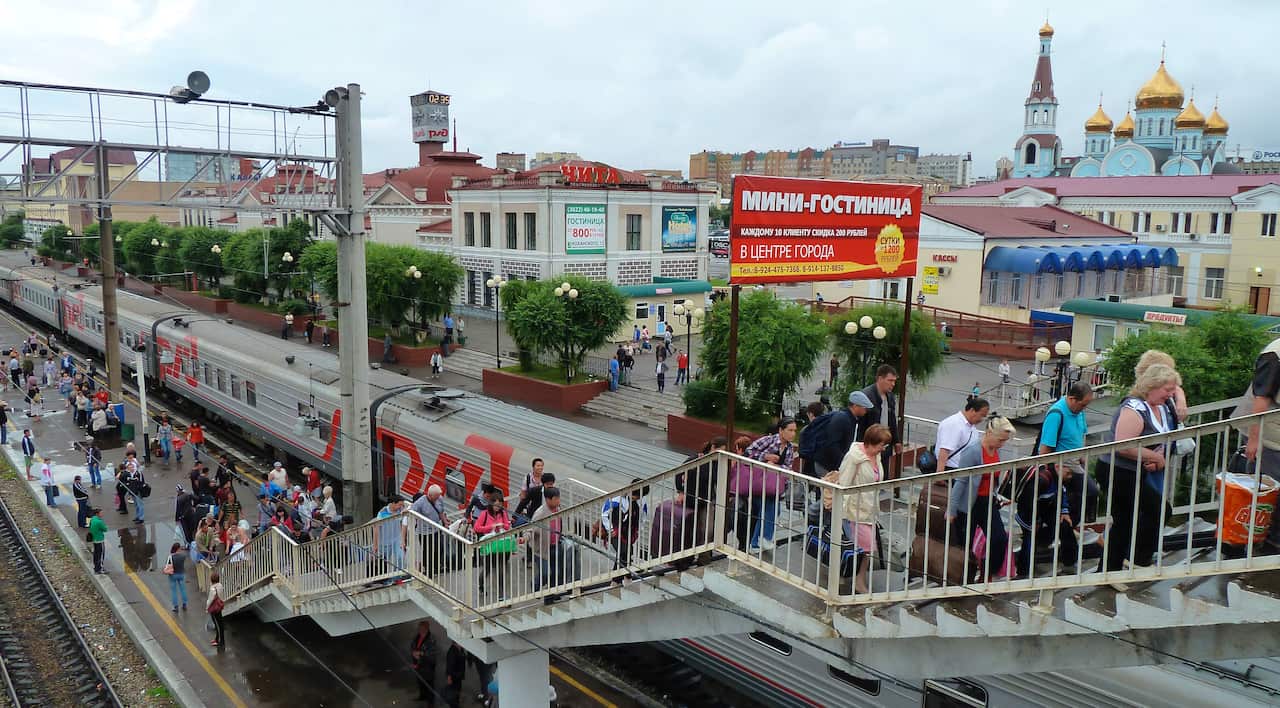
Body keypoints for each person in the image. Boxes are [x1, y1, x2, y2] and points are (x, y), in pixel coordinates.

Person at [1097, 364, 1179, 573]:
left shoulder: (1160, 406)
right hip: (1117, 470)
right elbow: (1123, 445)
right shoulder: (1134, 407)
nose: (1171, 394)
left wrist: (1155, 458)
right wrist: (1154, 457)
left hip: (1134, 470)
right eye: (1167, 389)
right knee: (1134, 517)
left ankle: (1122, 564)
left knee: (1136, 516)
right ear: (1152, 385)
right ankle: (1127, 563)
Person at [1032, 381, 1097, 568]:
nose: (1084, 408)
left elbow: (1080, 434)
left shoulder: (1079, 411)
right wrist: (1054, 470)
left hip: (1074, 461)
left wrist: (1082, 454)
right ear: (1071, 398)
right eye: (1083, 404)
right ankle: (1056, 534)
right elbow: (1044, 450)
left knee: (1085, 497)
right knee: (1087, 492)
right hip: (1060, 464)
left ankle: (1052, 533)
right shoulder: (1057, 414)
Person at [948, 416, 1016, 582]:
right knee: (965, 544)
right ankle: (964, 578)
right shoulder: (973, 451)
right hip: (969, 504)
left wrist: (996, 496)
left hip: (987, 502)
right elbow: (961, 481)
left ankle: (987, 573)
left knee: (999, 538)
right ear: (989, 433)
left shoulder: (995, 449)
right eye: (1000, 440)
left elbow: (993, 479)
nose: (1002, 444)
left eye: (1004, 441)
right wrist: (952, 509)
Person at [836, 424, 893, 593]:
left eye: (884, 445)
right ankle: (858, 581)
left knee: (860, 548)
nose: (882, 449)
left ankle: (848, 576)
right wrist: (842, 512)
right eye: (880, 445)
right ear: (870, 442)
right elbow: (843, 483)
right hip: (854, 510)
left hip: (869, 509)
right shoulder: (854, 457)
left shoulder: (877, 456)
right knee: (866, 548)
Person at [740, 418, 798, 551]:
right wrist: (766, 458)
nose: (793, 434)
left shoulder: (789, 448)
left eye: (794, 431)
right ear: (781, 430)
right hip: (758, 481)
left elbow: (788, 466)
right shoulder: (769, 440)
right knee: (770, 508)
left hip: (773, 484)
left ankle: (756, 542)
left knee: (771, 509)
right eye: (790, 430)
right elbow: (748, 452)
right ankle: (762, 539)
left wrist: (778, 466)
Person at [1245, 336, 1280, 551]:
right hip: (1274, 439)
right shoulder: (1275, 353)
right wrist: (1254, 439)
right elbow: (1261, 398)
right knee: (1270, 494)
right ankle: (1268, 545)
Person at [803, 390, 871, 479]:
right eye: (864, 407)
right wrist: (844, 463)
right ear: (855, 406)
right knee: (828, 491)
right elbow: (832, 444)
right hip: (827, 465)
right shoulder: (843, 419)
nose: (866, 410)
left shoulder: (848, 418)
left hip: (828, 464)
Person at [857, 365, 901, 475]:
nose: (893, 384)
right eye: (890, 380)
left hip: (884, 444)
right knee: (869, 475)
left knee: (883, 476)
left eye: (894, 381)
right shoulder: (867, 396)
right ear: (880, 378)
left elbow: (892, 420)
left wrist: (896, 441)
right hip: (870, 445)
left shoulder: (890, 396)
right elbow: (861, 424)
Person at [473, 494, 515, 597]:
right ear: (491, 504)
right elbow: (477, 528)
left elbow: (507, 525)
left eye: (500, 505)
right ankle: (481, 586)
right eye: (496, 505)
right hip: (488, 545)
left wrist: (502, 526)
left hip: (500, 545)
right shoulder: (485, 514)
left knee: (501, 569)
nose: (498, 507)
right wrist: (490, 527)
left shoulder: (503, 513)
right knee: (486, 569)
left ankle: (501, 594)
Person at [935, 397, 990, 473]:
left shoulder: (971, 426)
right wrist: (940, 476)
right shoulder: (954, 423)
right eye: (982, 415)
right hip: (950, 471)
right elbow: (945, 450)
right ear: (972, 410)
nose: (982, 420)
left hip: (963, 470)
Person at [529, 486, 565, 593]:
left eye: (558, 498)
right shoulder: (540, 513)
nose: (558, 501)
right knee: (545, 573)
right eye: (555, 499)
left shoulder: (559, 509)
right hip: (542, 549)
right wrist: (525, 538)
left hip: (556, 545)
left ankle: (551, 596)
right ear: (548, 499)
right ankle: (535, 585)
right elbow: (530, 529)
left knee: (556, 573)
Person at [411, 484, 448, 572]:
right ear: (430, 495)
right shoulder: (420, 502)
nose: (437, 498)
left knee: (440, 547)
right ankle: (428, 568)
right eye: (436, 496)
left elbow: (441, 512)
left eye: (438, 496)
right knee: (428, 550)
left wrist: (445, 522)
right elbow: (412, 510)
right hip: (424, 532)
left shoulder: (440, 499)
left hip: (436, 528)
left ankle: (435, 565)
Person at [410, 621, 438, 701]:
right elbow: (412, 646)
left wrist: (421, 653)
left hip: (427, 666)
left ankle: (430, 702)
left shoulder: (431, 639)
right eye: (419, 628)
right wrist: (413, 653)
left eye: (422, 628)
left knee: (429, 684)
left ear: (426, 629)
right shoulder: (417, 637)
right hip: (418, 664)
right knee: (420, 682)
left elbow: (432, 653)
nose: (420, 629)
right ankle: (422, 696)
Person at [166, 542, 189, 612]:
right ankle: (184, 604)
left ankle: (176, 606)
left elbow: (168, 565)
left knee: (174, 591)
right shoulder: (183, 556)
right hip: (181, 574)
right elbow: (186, 553)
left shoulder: (170, 556)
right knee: (183, 590)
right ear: (178, 548)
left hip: (173, 575)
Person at [445, 640, 467, 708]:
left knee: (457, 691)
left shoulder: (460, 649)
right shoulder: (452, 652)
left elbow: (463, 657)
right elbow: (449, 666)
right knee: (453, 693)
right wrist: (449, 677)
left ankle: (456, 704)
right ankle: (454, 706)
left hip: (458, 676)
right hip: (454, 676)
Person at [207, 571, 225, 647]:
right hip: (219, 606)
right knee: (220, 623)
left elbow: (210, 600)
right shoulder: (220, 585)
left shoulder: (213, 589)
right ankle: (218, 639)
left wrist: (207, 607)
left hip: (214, 608)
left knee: (217, 624)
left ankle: (220, 641)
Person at [88, 508, 108, 574]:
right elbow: (105, 529)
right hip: (99, 539)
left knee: (96, 554)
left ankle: (96, 566)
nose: (102, 514)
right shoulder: (99, 522)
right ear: (97, 514)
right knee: (101, 554)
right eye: (101, 513)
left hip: (94, 539)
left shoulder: (93, 519)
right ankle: (100, 568)